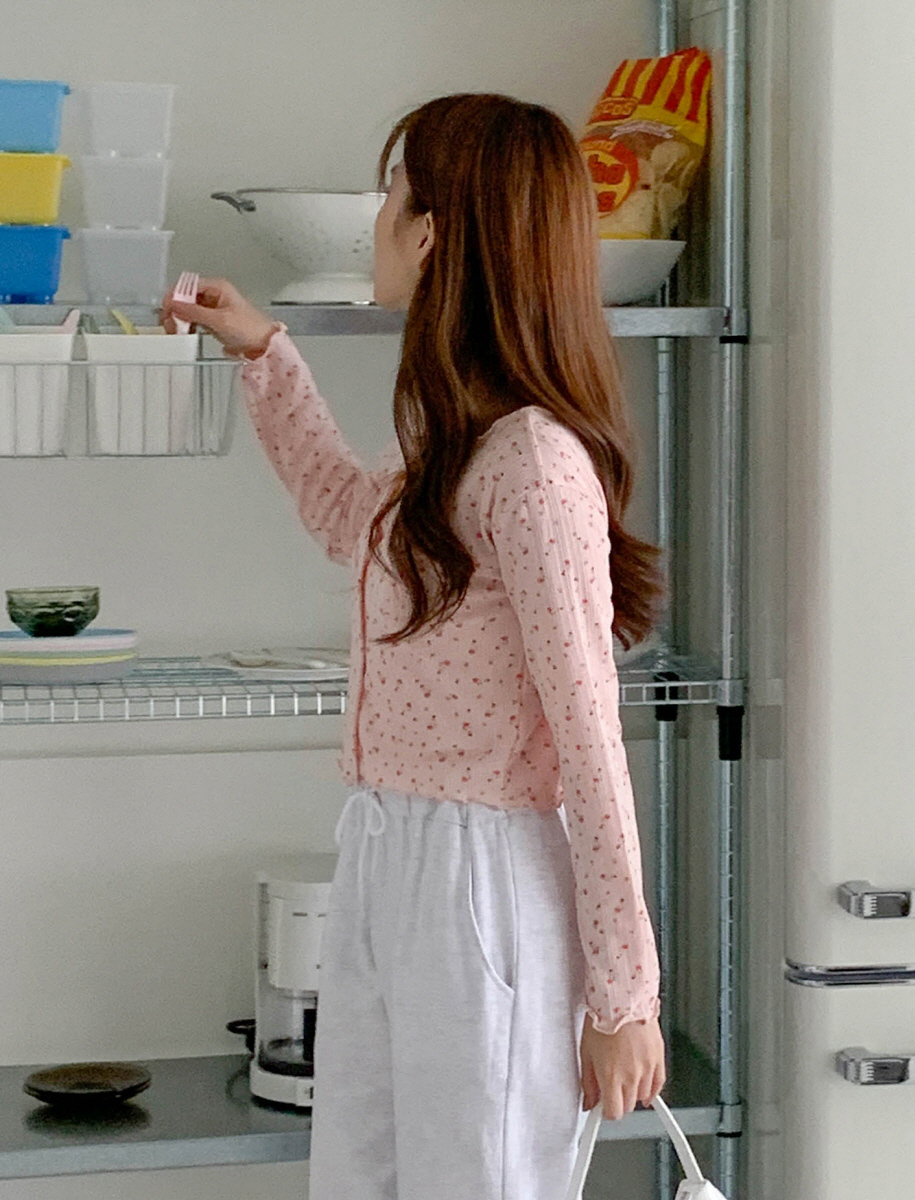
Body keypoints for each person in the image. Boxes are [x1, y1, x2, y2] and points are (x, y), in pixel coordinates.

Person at [161, 93, 666, 1200]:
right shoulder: (457, 446)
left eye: (389, 200)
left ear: (431, 235)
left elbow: (592, 736)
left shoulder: (533, 465)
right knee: (360, 1180)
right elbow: (349, 520)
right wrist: (265, 354)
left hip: (484, 879)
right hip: (391, 850)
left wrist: (626, 995)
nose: (376, 225)